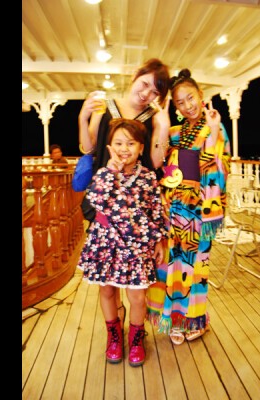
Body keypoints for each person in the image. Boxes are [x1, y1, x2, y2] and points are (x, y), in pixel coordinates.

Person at [77, 58, 171, 329]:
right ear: (134, 76)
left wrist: (163, 126)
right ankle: (115, 320)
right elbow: (88, 147)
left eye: (155, 92)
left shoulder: (152, 117)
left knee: (135, 280)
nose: (146, 94)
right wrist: (83, 117)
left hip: (136, 207)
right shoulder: (105, 106)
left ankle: (135, 329)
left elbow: (156, 162)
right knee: (107, 278)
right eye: (145, 84)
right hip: (106, 197)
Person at [146, 68, 231, 345]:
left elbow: (220, 169)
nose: (187, 106)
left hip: (201, 210)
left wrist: (214, 131)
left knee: (196, 270)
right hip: (174, 209)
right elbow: (159, 161)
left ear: (200, 94)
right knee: (171, 266)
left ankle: (195, 319)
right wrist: (161, 123)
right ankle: (174, 319)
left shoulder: (215, 126)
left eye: (190, 98)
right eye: (180, 102)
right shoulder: (174, 132)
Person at [77, 118, 167, 366]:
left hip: (137, 244)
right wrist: (112, 172)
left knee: (137, 297)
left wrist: (159, 241)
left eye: (130, 143)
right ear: (109, 147)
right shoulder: (103, 174)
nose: (124, 149)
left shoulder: (148, 177)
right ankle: (114, 337)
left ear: (141, 147)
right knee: (107, 290)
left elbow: (156, 210)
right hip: (105, 242)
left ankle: (136, 338)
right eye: (118, 143)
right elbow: (95, 201)